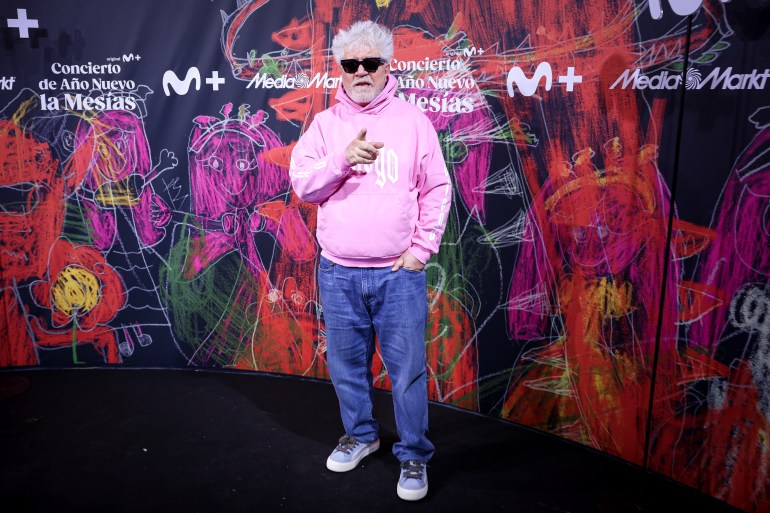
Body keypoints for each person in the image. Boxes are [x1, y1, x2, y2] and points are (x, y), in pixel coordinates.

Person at [289, 20, 452, 501]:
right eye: (351, 63)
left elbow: (437, 188)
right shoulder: (324, 125)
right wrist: (343, 159)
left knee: (407, 373)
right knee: (345, 368)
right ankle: (361, 436)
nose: (361, 71)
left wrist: (421, 251)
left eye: (371, 62)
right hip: (337, 272)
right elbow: (304, 185)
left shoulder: (412, 122)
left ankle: (415, 456)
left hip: (397, 275)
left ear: (387, 66)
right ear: (340, 67)